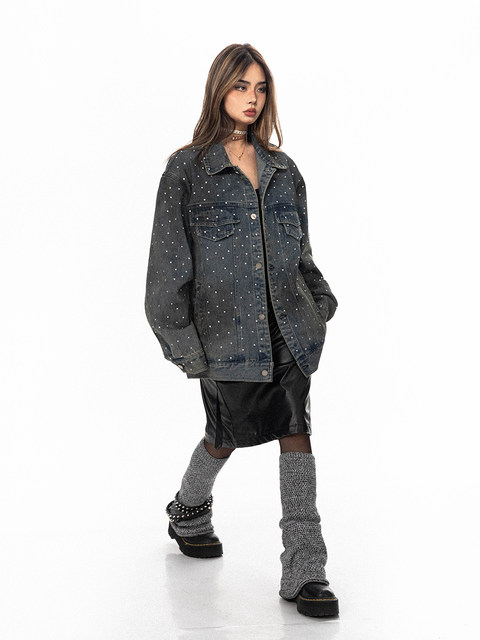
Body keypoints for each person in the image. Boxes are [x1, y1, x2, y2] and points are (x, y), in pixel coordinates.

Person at [144, 43, 339, 618]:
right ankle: (188, 510)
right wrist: (187, 349)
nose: (252, 98)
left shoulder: (284, 169)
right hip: (225, 339)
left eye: (260, 88)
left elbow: (301, 252)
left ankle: (305, 570)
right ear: (219, 89)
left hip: (289, 329)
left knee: (297, 432)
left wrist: (320, 304)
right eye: (240, 86)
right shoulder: (187, 170)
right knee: (224, 435)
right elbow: (167, 270)